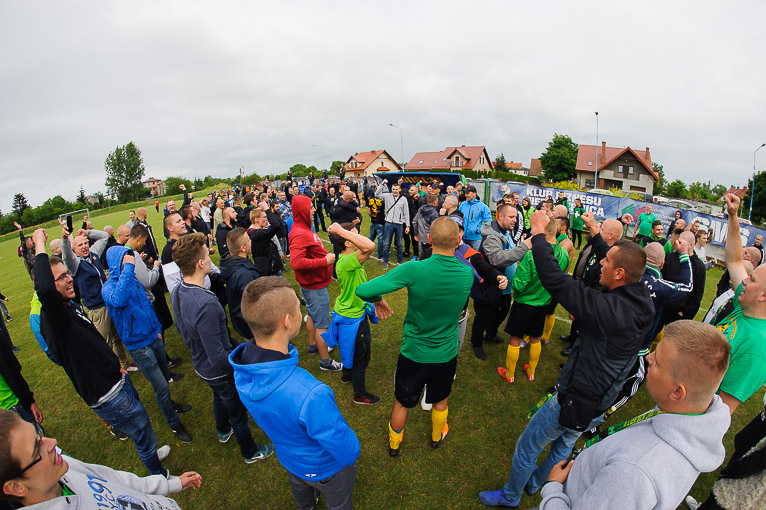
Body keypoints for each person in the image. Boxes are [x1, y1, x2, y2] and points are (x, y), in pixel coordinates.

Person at [479, 211, 654, 507]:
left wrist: (538, 233)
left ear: (620, 274)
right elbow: (615, 260)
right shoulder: (640, 299)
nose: (600, 263)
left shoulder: (610, 310)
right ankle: (536, 483)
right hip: (599, 402)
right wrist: (596, 232)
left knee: (528, 446)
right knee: (563, 446)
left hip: (574, 397)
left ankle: (510, 496)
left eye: (606, 262)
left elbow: (556, 280)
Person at [537, 321, 731, 510]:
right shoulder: (686, 416)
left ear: (677, 392)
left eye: (658, 362)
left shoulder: (634, 471)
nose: (649, 358)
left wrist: (553, 488)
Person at [31, 228, 171, 476]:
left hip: (115, 379)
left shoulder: (70, 306)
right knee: (139, 428)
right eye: (61, 277)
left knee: (141, 425)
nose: (70, 279)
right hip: (107, 393)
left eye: (68, 274)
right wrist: (39, 244)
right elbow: (43, 288)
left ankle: (151, 452)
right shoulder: (53, 318)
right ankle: (159, 475)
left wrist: (114, 366)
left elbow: (93, 344)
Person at [356, 218, 474, 457]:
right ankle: (436, 436)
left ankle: (395, 444)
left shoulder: (415, 269)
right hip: (446, 354)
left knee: (402, 402)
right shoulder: (466, 272)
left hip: (414, 353)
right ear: (459, 240)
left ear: (429, 239)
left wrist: (378, 299)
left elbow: (363, 290)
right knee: (440, 399)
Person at [170, 233, 274, 464]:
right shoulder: (206, 304)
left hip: (202, 366)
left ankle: (223, 429)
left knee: (220, 396)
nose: (211, 259)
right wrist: (244, 362)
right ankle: (249, 452)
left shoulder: (178, 290)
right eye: (207, 256)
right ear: (200, 263)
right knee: (237, 411)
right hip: (218, 371)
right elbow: (218, 357)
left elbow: (183, 330)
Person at [0, 409, 202, 507]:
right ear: (16, 487)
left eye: (39, 436)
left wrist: (171, 484)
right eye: (37, 450)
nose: (52, 442)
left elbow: (118, 480)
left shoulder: (64, 468)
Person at [101, 245, 192, 443]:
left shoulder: (132, 280)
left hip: (153, 337)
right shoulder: (108, 288)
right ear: (116, 262)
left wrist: (157, 329)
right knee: (161, 386)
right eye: (125, 259)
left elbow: (147, 305)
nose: (130, 262)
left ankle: (171, 406)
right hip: (139, 346)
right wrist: (127, 270)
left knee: (165, 377)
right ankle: (174, 424)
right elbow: (119, 300)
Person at [322, 223, 391, 405]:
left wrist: (377, 299)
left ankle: (347, 375)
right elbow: (370, 245)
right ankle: (359, 395)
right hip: (353, 318)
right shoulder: (348, 262)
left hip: (347, 312)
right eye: (354, 235)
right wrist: (341, 231)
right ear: (347, 242)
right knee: (361, 357)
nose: (360, 236)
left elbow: (361, 285)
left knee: (349, 347)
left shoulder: (351, 260)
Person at [497, 213, 568, 384]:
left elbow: (518, 284)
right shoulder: (564, 254)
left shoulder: (532, 255)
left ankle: (510, 374)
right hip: (543, 304)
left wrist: (515, 285)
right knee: (535, 337)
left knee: (515, 338)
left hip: (524, 304)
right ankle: (531, 372)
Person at [713, 194, 766, 415]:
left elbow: (722, 410)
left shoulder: (758, 347)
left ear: (763, 296)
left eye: (751, 279)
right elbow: (735, 261)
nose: (743, 281)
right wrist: (733, 215)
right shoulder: (745, 309)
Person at [60, 222, 132, 372]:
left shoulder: (93, 254)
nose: (84, 247)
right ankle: (112, 370)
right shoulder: (75, 264)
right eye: (80, 245)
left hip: (109, 302)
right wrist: (65, 239)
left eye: (86, 243)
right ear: (75, 249)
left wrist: (87, 232)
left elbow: (104, 237)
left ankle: (124, 364)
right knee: (105, 342)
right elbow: (66, 255)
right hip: (97, 308)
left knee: (117, 336)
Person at [289, 195, 343, 371]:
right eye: (310, 207)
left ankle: (313, 345)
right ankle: (325, 361)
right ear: (302, 210)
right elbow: (296, 262)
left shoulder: (303, 227)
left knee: (312, 316)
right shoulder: (299, 232)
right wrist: (324, 261)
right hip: (315, 287)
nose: (314, 210)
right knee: (322, 324)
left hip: (313, 284)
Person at [472, 205, 530, 359]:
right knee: (484, 316)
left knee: (502, 312)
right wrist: (524, 247)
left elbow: (509, 250)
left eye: (515, 217)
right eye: (511, 217)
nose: (515, 220)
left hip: (504, 287)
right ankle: (476, 343)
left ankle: (491, 334)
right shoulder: (492, 236)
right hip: (489, 286)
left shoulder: (505, 231)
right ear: (500, 217)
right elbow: (497, 259)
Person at [220, 228, 262, 340]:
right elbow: (254, 303)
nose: (251, 241)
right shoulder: (245, 274)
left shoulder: (232, 264)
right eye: (248, 240)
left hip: (242, 322)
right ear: (242, 248)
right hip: (252, 327)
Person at [376, 179, 411, 270]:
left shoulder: (403, 199)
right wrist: (382, 184)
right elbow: (377, 194)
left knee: (399, 244)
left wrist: (408, 225)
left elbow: (406, 212)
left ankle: (400, 261)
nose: (395, 191)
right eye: (393, 189)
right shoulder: (387, 196)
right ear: (391, 189)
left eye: (396, 189)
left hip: (399, 224)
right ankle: (385, 262)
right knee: (387, 244)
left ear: (399, 189)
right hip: (388, 224)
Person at [459, 185, 492, 250]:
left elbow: (488, 222)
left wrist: (478, 230)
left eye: (467, 193)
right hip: (462, 237)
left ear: (474, 194)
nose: (465, 195)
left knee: (476, 255)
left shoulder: (483, 207)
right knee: (461, 255)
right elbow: (458, 217)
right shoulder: (462, 204)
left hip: (475, 239)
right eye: (465, 193)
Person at [366, 190, 386, 260]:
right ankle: (380, 255)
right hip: (381, 222)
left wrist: (373, 217)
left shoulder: (370, 200)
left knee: (371, 237)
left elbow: (369, 212)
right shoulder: (382, 201)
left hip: (373, 221)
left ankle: (367, 252)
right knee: (380, 239)